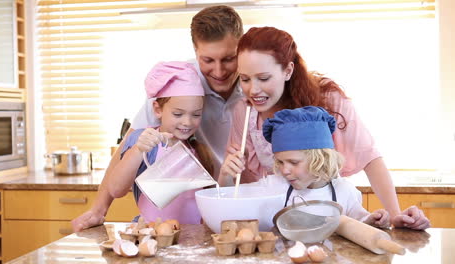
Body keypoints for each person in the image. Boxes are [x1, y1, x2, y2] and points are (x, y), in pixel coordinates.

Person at [220, 26, 430, 230]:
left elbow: (369, 158)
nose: (253, 90)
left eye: (264, 78)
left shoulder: (328, 100)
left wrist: (395, 215)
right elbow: (245, 177)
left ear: (288, 70)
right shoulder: (245, 111)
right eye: (245, 79)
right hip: (277, 220)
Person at [71, 5, 244, 231]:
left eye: (229, 59)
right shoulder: (178, 82)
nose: (219, 71)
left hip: (233, 197)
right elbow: (129, 145)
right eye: (208, 60)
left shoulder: (255, 82)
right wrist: (99, 209)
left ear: (241, 48)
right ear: (195, 50)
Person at [107, 61, 213, 224]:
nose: (187, 122)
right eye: (178, 114)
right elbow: (115, 189)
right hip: (155, 238)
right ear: (157, 109)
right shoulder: (146, 142)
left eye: (196, 115)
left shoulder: (198, 150)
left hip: (192, 241)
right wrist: (138, 150)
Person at [255, 106, 390, 227]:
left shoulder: (344, 190)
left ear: (321, 160)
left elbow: (360, 221)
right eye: (280, 162)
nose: (284, 170)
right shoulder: (274, 188)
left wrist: (373, 219)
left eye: (294, 162)